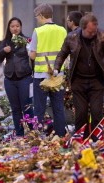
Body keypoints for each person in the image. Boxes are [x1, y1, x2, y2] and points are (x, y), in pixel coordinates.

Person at [54, 13, 104, 140]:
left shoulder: (101, 36)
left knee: (97, 113)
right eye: (91, 32)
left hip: (97, 81)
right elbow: (62, 54)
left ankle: (96, 142)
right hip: (78, 81)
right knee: (80, 114)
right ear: (82, 28)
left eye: (95, 30)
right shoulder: (72, 38)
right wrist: (56, 69)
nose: (94, 34)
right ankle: (81, 140)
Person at [28, 3, 67, 137]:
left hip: (41, 76)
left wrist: (28, 50)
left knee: (39, 109)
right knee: (58, 109)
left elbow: (33, 55)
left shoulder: (38, 31)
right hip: (58, 75)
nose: (37, 19)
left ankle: (38, 138)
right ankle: (60, 137)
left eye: (37, 17)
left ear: (41, 15)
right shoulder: (62, 30)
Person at [0, 17, 33, 137]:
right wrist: (4, 51)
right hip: (10, 79)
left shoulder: (27, 40)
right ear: (9, 28)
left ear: (20, 27)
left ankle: (33, 133)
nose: (15, 28)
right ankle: (19, 134)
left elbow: (33, 58)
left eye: (17, 26)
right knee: (15, 109)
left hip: (25, 78)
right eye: (12, 26)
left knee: (27, 107)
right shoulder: (6, 41)